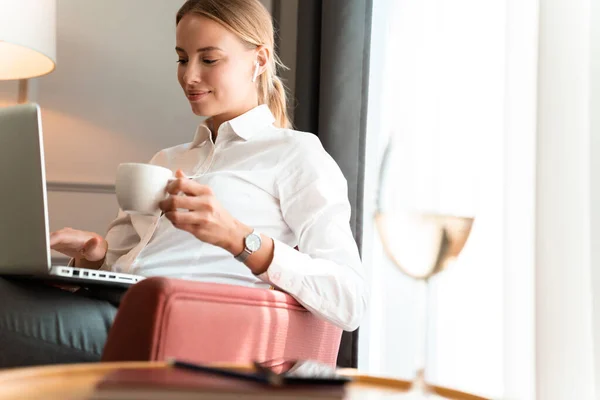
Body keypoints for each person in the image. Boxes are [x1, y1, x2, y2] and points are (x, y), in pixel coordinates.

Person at [0, 0, 366, 368]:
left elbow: (349, 300)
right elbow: (126, 264)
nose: (189, 76)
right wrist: (94, 256)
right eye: (181, 58)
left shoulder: (295, 154)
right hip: (109, 306)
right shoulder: (167, 160)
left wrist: (241, 239)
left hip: (174, 333)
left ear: (259, 60)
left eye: (209, 60)